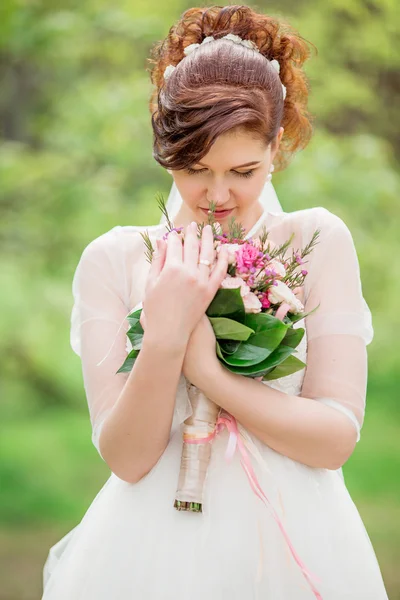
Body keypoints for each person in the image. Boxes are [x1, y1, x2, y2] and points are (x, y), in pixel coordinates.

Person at [41, 5, 389, 599]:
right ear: (164, 150)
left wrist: (208, 373)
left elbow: (335, 439)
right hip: (149, 546)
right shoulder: (114, 259)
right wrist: (165, 336)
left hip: (297, 534)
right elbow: (126, 458)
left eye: (243, 170)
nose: (218, 194)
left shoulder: (316, 242)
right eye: (194, 168)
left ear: (276, 146)